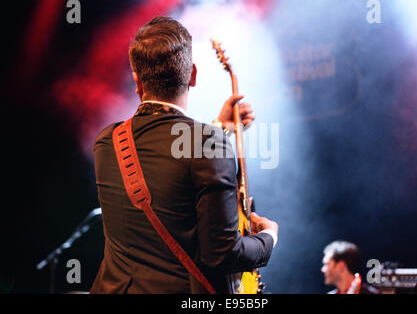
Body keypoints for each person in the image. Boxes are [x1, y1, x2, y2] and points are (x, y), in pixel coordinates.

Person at [90, 16, 278, 294]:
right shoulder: (206, 144)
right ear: (192, 74)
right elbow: (222, 255)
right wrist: (268, 237)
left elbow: (162, 161)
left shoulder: (106, 142)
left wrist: (216, 129)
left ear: (136, 80)